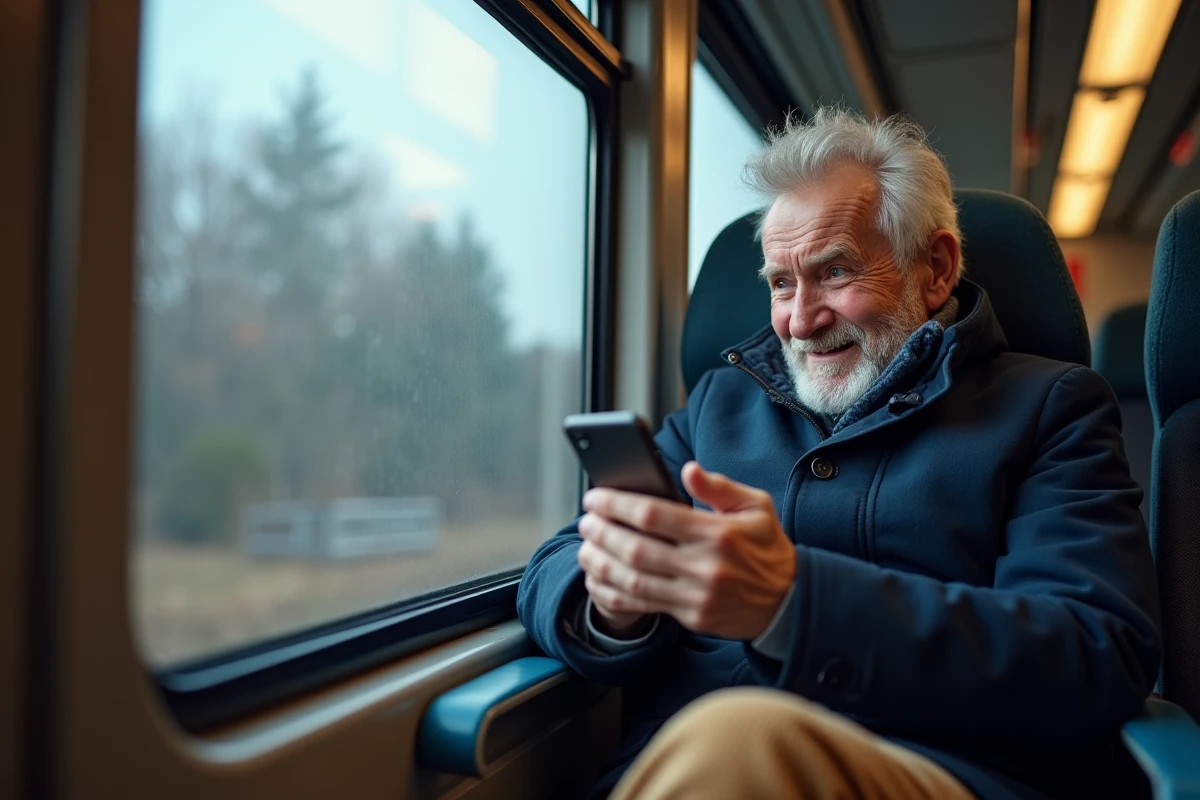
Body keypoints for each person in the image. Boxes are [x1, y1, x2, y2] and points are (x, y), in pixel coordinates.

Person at [516, 108, 1161, 800]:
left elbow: (1095, 650)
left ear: (935, 269)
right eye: (781, 283)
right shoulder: (718, 404)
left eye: (834, 272)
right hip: (684, 765)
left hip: (934, 771)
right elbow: (557, 560)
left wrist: (794, 603)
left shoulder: (1049, 407)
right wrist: (614, 602)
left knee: (736, 741)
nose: (800, 320)